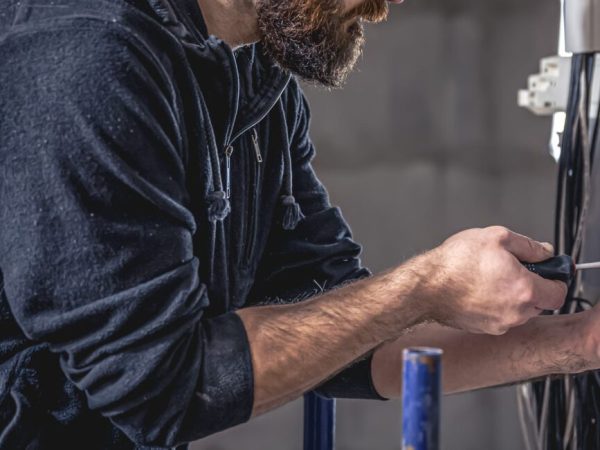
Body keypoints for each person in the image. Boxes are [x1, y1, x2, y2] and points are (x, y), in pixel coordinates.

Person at [0, 0, 590, 448]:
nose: (388, 6)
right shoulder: (85, 57)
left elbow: (347, 335)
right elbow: (160, 387)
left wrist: (585, 341)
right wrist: (424, 286)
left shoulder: (258, 83)